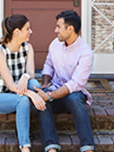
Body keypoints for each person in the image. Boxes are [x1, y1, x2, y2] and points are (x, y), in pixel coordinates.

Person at [34, 10, 95, 152]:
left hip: (73, 94)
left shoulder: (86, 53)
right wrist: (44, 85)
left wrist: (50, 95)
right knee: (41, 102)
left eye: (58, 27)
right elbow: (48, 65)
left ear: (70, 29)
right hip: (54, 90)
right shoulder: (55, 44)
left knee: (74, 99)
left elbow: (75, 84)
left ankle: (87, 147)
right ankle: (51, 147)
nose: (56, 31)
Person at [0, 14, 47, 152]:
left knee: (34, 83)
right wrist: (32, 95)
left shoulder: (28, 48)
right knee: (23, 100)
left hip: (19, 90)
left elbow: (31, 73)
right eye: (28, 29)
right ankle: (25, 147)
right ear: (17, 32)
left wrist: (25, 77)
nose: (31, 32)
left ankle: (46, 113)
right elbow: (11, 86)